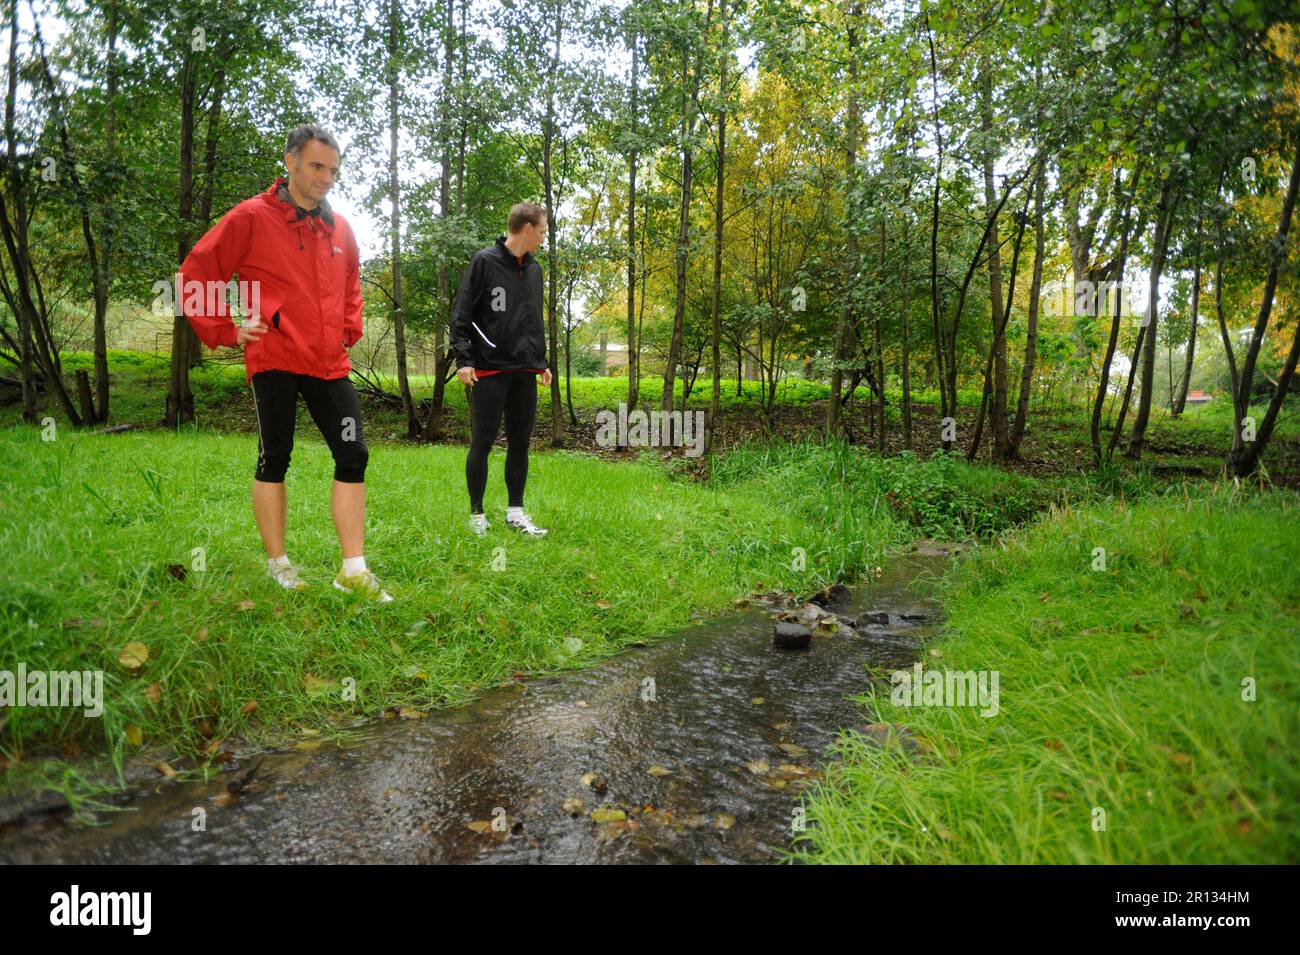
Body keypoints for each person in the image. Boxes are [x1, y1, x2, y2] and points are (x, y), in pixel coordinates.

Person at [178, 124, 392, 601]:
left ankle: (353, 570)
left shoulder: (340, 228)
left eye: (333, 170)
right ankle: (279, 563)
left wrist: (346, 331)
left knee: (353, 452)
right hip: (274, 356)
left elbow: (352, 283)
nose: (326, 177)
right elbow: (196, 272)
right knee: (275, 456)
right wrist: (226, 330)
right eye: (317, 166)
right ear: (290, 161)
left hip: (327, 362)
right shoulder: (252, 217)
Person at [449, 203, 553, 537]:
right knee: (482, 442)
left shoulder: (535, 269)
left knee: (520, 443)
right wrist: (464, 359)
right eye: (542, 229)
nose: (543, 236)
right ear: (526, 227)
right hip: (490, 369)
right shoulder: (485, 262)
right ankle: (477, 515)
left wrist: (541, 363)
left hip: (524, 370)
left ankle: (516, 512)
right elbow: (462, 315)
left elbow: (532, 321)